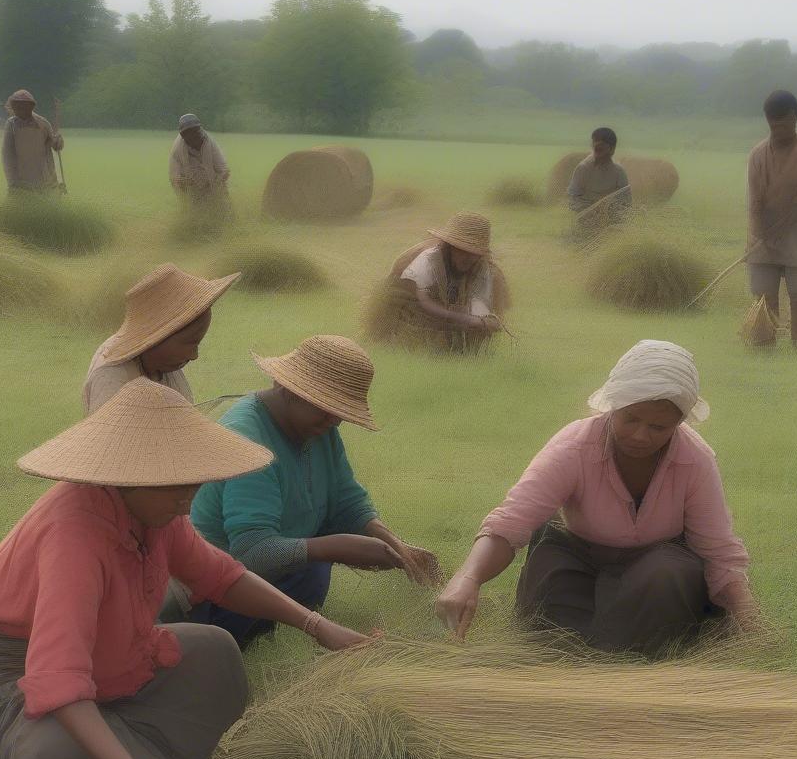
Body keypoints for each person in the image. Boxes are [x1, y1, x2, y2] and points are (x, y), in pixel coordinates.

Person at [0, 379, 373, 759]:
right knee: (65, 757)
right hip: (7, 690)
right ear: (129, 476)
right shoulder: (75, 537)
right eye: (178, 486)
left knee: (214, 653)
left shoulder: (154, 512)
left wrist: (318, 626)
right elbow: (57, 682)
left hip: (101, 665)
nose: (190, 499)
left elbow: (222, 576)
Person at [436, 340, 758, 656]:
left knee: (668, 577)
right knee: (552, 606)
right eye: (630, 418)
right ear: (613, 405)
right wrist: (468, 578)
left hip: (658, 563)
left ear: (679, 423)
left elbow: (718, 549)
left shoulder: (695, 460)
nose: (640, 435)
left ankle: (631, 644)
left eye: (658, 427)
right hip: (578, 555)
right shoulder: (573, 448)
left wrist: (748, 616)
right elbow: (511, 522)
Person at [173, 335, 442, 647]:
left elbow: (346, 501)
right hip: (219, 591)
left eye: (339, 412)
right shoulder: (247, 438)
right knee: (312, 565)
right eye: (326, 409)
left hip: (273, 577)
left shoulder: (316, 430)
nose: (335, 422)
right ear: (289, 390)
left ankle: (280, 625)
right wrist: (333, 547)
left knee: (312, 569)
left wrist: (395, 545)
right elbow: (250, 553)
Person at [83, 263, 239, 414]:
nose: (194, 356)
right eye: (190, 343)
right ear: (157, 337)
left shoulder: (163, 365)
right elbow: (112, 439)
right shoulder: (110, 378)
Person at [364, 212, 510, 354]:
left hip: (451, 316)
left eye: (474, 252)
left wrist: (482, 322)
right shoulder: (428, 260)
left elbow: (479, 306)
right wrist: (462, 318)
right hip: (413, 313)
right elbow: (422, 300)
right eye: (462, 250)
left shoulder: (484, 271)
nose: (468, 257)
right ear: (450, 247)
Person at [746, 90, 797, 349]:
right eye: (773, 122)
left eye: (784, 121)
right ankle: (765, 344)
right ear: (767, 120)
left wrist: (780, 231)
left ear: (795, 118)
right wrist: (762, 233)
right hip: (762, 237)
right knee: (764, 295)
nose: (778, 128)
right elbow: (755, 201)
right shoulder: (757, 154)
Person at [1, 89, 64, 195]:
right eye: (16, 106)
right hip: (21, 178)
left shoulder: (43, 124)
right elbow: (7, 154)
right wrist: (12, 180)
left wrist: (58, 141)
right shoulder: (11, 124)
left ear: (30, 107)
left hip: (43, 176)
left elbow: (54, 145)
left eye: (23, 107)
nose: (19, 110)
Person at [566, 128, 631, 228]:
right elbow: (572, 197)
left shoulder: (619, 172)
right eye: (596, 149)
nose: (598, 155)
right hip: (585, 222)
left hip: (610, 222)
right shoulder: (583, 169)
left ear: (612, 149)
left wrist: (611, 212)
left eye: (601, 149)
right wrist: (587, 212)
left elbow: (626, 202)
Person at [169, 113, 231, 213]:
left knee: (223, 204)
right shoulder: (177, 151)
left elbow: (223, 169)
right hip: (191, 187)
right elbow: (176, 179)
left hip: (212, 182)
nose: (194, 137)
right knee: (194, 207)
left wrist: (220, 180)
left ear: (200, 130)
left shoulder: (210, 142)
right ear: (183, 136)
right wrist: (183, 182)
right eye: (190, 134)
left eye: (196, 132)